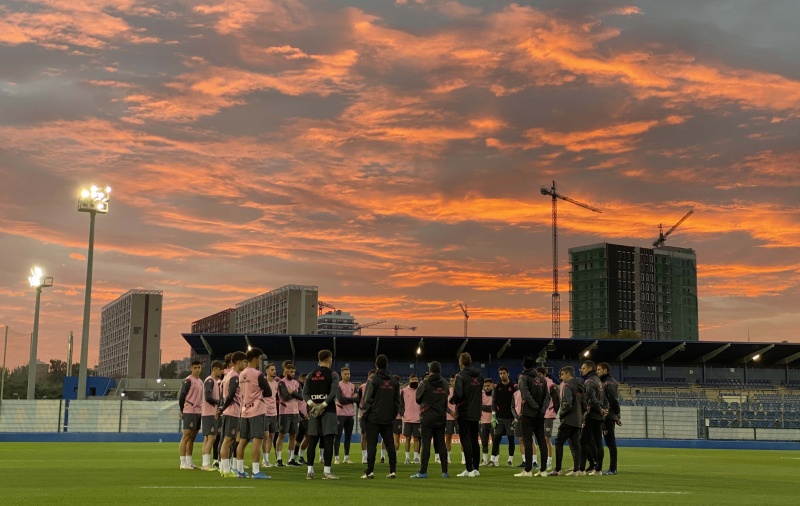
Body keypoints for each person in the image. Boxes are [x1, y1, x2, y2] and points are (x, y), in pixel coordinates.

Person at [360, 354, 402, 479]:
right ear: (387, 365)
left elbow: (367, 399)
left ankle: (370, 471)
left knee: (372, 445)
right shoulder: (394, 381)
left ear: (376, 365)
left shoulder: (373, 380)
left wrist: (366, 415)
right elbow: (397, 401)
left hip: (373, 418)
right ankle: (393, 471)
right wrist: (393, 415)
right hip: (388, 418)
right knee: (390, 445)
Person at [302, 349, 341, 480]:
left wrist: (313, 405)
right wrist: (323, 405)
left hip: (313, 411)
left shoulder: (310, 374)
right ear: (330, 359)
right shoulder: (333, 374)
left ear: (319, 359)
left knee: (313, 440)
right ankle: (326, 472)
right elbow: (333, 393)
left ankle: (310, 472)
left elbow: (304, 393)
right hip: (328, 410)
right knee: (328, 440)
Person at [236, 348, 272, 479]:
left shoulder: (241, 374)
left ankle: (239, 470)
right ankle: (256, 471)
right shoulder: (258, 374)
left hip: (244, 410)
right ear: (256, 358)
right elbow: (269, 392)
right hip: (256, 410)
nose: (260, 361)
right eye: (260, 359)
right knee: (257, 440)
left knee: (242, 441)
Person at [411, 360, 449, 479]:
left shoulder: (425, 383)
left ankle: (423, 471)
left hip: (427, 417)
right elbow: (446, 397)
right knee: (441, 444)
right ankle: (444, 472)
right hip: (441, 417)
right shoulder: (445, 383)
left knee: (426, 444)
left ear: (430, 370)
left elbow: (418, 399)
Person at [515, 355, 550, 478]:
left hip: (528, 413)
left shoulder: (523, 377)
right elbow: (547, 396)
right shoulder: (542, 379)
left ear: (524, 365)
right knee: (541, 441)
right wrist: (542, 409)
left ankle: (528, 470)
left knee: (528, 441)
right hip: (540, 415)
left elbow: (526, 395)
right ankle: (543, 470)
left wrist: (535, 407)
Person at [450, 352, 484, 477]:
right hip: (476, 411)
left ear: (461, 362)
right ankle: (476, 469)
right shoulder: (480, 376)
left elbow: (459, 394)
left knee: (466, 440)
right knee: (475, 440)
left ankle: (469, 469)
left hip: (464, 411)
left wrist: (452, 400)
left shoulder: (460, 376)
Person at [550, 366, 585, 477]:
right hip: (578, 420)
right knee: (576, 445)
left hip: (568, 420)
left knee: (559, 442)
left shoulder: (567, 386)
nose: (561, 377)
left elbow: (567, 403)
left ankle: (558, 469)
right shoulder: (580, 386)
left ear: (568, 374)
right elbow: (584, 405)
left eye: (562, 375)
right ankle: (576, 470)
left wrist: (562, 414)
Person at [218, 351, 247, 477]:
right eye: (244, 362)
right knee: (228, 440)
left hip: (229, 412)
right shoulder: (235, 377)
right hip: (232, 412)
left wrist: (221, 408)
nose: (245, 365)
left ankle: (225, 468)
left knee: (227, 440)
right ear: (238, 362)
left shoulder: (228, 376)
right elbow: (230, 395)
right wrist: (222, 408)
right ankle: (225, 470)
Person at [580, 360, 607, 475]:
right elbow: (604, 398)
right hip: (599, 416)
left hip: (591, 415)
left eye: (583, 368)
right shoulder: (599, 381)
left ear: (590, 368)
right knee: (598, 442)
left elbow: (591, 398)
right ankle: (598, 469)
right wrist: (604, 409)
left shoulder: (589, 381)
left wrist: (600, 409)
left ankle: (582, 468)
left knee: (582, 441)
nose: (582, 370)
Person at [178, 360, 204, 469]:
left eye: (199, 367)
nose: (197, 369)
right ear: (191, 368)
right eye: (195, 368)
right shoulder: (188, 381)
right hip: (189, 410)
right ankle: (182, 462)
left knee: (192, 437)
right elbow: (182, 396)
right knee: (186, 436)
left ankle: (189, 461)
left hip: (198, 411)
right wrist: (182, 410)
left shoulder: (201, 381)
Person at [277, 361, 303, 467]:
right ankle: (279, 459)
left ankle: (291, 459)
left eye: (294, 372)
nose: (293, 374)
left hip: (295, 412)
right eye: (291, 372)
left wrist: (293, 392)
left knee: (293, 435)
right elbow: (285, 397)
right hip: (285, 412)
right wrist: (294, 394)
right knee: (282, 435)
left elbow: (301, 397)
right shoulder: (281, 382)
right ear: (286, 371)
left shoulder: (297, 383)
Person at [200, 360, 224, 471]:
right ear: (214, 369)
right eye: (220, 369)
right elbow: (208, 397)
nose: (221, 371)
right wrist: (219, 402)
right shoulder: (210, 381)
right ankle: (205, 464)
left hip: (209, 413)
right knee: (211, 438)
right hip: (209, 413)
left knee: (207, 438)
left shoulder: (212, 381)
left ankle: (205, 463)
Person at [597, 362, 620, 475]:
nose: (597, 371)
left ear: (605, 370)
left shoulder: (609, 383)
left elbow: (613, 400)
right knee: (606, 441)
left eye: (599, 369)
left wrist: (617, 413)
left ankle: (613, 468)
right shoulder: (604, 382)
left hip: (608, 415)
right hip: (604, 414)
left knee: (610, 442)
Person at [490, 366, 516, 466]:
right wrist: (493, 415)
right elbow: (494, 401)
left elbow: (517, 402)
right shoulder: (497, 387)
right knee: (496, 438)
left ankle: (510, 460)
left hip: (510, 417)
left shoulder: (514, 387)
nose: (502, 375)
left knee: (511, 439)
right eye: (500, 373)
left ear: (508, 374)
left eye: (504, 373)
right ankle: (492, 460)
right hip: (499, 417)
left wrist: (516, 417)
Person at [537, 366, 559, 471]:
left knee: (547, 438)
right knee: (541, 439)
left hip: (548, 415)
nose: (538, 377)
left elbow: (556, 400)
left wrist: (553, 412)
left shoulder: (551, 385)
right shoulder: (536, 384)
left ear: (544, 374)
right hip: (539, 415)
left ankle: (549, 462)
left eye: (540, 374)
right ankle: (543, 462)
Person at [335, 366, 358, 464]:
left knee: (348, 437)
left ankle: (346, 457)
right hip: (340, 414)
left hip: (350, 414)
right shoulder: (338, 385)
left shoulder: (353, 386)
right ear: (341, 374)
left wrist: (347, 399)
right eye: (345, 374)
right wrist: (351, 399)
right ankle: (336, 458)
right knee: (338, 436)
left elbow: (357, 399)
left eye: (348, 374)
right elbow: (341, 400)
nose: (347, 375)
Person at [261, 362, 279, 468]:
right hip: (265, 412)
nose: (274, 371)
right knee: (266, 436)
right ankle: (264, 460)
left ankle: (266, 459)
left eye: (274, 369)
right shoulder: (263, 383)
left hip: (274, 413)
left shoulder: (276, 384)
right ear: (267, 371)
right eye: (272, 370)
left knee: (271, 436)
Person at [401, 374, 422, 465]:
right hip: (407, 419)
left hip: (418, 419)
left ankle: (416, 458)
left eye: (416, 379)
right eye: (412, 379)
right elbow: (400, 404)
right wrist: (402, 413)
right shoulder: (404, 391)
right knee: (408, 438)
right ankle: (407, 458)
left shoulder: (420, 390)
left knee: (416, 438)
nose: (414, 380)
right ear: (409, 380)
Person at [357, 369, 376, 463]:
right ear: (368, 377)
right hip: (363, 415)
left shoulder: (377, 387)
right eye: (371, 376)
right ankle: (364, 456)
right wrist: (362, 409)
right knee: (364, 435)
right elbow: (358, 400)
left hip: (373, 415)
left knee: (371, 436)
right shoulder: (362, 387)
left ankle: (370, 455)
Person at [439, 375, 457, 464]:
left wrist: (457, 412)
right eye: (451, 380)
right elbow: (443, 404)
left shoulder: (462, 391)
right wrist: (451, 412)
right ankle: (447, 457)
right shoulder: (447, 392)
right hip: (449, 417)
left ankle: (464, 458)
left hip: (459, 417)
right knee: (448, 437)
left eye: (454, 380)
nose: (452, 382)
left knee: (463, 437)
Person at [293, 373, 310, 464]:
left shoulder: (308, 391)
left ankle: (300, 455)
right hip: (298, 416)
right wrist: (300, 414)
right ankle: (295, 457)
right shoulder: (297, 390)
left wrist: (309, 413)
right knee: (298, 438)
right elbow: (294, 402)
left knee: (308, 436)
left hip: (306, 417)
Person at [479, 378, 494, 466]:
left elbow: (495, 407)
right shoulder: (481, 394)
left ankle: (494, 460)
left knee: (495, 441)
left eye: (488, 385)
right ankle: (484, 460)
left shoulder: (495, 394)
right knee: (484, 442)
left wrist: (485, 407)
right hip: (483, 421)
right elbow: (479, 406)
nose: (487, 388)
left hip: (493, 421)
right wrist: (490, 408)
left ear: (492, 385)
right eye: (485, 386)